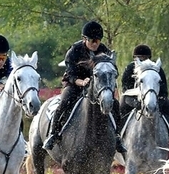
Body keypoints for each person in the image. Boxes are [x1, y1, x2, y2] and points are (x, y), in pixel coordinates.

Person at [44, 22, 124, 153]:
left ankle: (117, 137)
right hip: (74, 84)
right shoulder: (74, 51)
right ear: (84, 39)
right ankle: (53, 134)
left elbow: (112, 70)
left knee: (114, 104)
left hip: (97, 87)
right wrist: (82, 82)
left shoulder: (104, 51)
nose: (95, 44)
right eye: (92, 40)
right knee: (64, 102)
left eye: (98, 40)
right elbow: (70, 75)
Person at [120, 44, 169, 153]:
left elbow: (164, 91)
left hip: (154, 98)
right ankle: (117, 137)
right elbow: (125, 89)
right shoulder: (129, 68)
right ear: (134, 59)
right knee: (120, 109)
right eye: (139, 59)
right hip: (132, 99)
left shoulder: (157, 69)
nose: (142, 61)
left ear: (149, 58)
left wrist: (158, 103)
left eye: (145, 58)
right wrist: (136, 103)